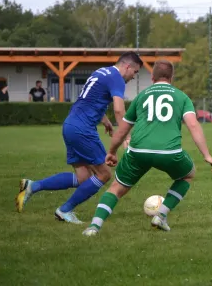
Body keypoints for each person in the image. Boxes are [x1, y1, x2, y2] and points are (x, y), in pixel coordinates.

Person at [82, 59, 212, 236]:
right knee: (187, 175)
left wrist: (112, 152)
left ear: (152, 77)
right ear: (171, 77)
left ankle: (94, 227)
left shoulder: (141, 96)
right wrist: (207, 155)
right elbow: (193, 125)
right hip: (169, 152)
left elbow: (123, 129)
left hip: (138, 151)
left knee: (116, 188)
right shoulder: (181, 96)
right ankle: (161, 216)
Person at [15, 52, 143, 224]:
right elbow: (120, 110)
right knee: (104, 174)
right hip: (83, 130)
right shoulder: (117, 77)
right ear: (127, 66)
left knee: (83, 178)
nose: (134, 77)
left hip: (70, 126)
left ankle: (33, 186)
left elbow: (90, 100)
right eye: (135, 72)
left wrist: (105, 120)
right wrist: (126, 136)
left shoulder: (101, 72)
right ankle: (64, 210)